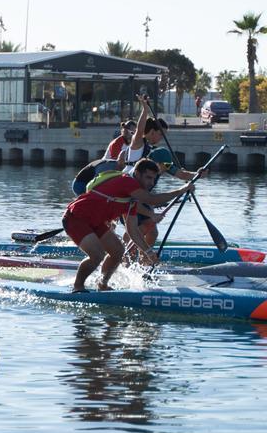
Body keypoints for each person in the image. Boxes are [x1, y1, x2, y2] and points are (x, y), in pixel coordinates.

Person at [62, 159, 194, 293]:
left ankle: (102, 284)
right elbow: (151, 199)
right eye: (148, 177)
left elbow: (132, 229)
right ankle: (78, 287)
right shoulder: (127, 181)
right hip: (76, 218)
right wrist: (182, 190)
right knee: (97, 255)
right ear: (137, 173)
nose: (151, 183)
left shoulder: (132, 200)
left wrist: (148, 252)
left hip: (96, 222)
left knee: (118, 251)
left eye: (154, 179)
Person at [119, 95, 208, 251]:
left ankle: (144, 266)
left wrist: (197, 174)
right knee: (136, 230)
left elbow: (179, 173)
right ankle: (123, 258)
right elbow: (140, 130)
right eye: (161, 134)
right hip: (128, 194)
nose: (162, 138)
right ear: (152, 132)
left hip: (145, 197)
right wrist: (145, 109)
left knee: (152, 232)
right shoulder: (137, 146)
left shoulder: (160, 155)